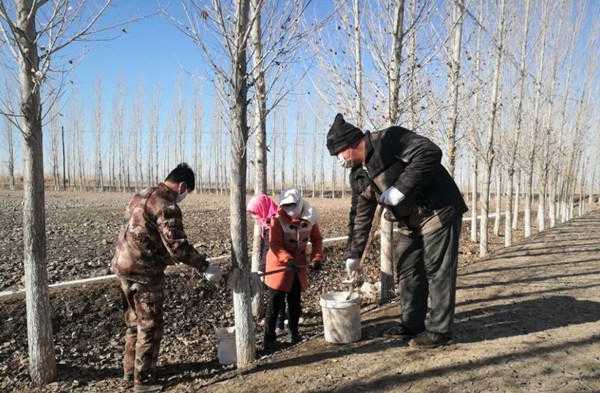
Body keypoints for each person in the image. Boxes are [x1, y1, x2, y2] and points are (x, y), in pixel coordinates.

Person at [327, 113, 468, 348]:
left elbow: (430, 152)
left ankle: (439, 331)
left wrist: (399, 189)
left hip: (437, 209)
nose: (339, 160)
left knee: (437, 270)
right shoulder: (358, 176)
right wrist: (353, 254)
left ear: (352, 144)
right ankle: (412, 324)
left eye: (339, 154)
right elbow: (360, 216)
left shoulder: (390, 139)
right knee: (407, 267)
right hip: (408, 221)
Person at [111, 163, 227, 392]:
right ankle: (143, 381)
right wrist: (204, 266)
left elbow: (146, 233)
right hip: (144, 272)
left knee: (133, 322)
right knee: (150, 325)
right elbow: (177, 245)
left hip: (122, 266)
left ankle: (129, 371)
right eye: (187, 192)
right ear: (182, 186)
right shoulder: (166, 204)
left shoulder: (142, 194)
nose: (184, 197)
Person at [263, 188, 324, 350]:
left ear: (300, 203)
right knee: (275, 303)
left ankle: (294, 332)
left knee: (295, 300)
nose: (290, 210)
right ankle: (269, 338)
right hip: (279, 264)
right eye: (286, 206)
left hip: (298, 265)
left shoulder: (311, 218)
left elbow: (317, 240)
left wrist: (317, 258)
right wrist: (286, 259)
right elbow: (274, 244)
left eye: (292, 205)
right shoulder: (277, 219)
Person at [246, 194, 287, 334]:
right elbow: (265, 248)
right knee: (276, 294)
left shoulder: (275, 223)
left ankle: (279, 324)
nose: (254, 217)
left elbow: (271, 249)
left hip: (280, 264)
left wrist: (263, 268)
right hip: (273, 264)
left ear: (263, 208)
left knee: (277, 295)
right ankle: (280, 319)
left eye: (255, 213)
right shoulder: (266, 222)